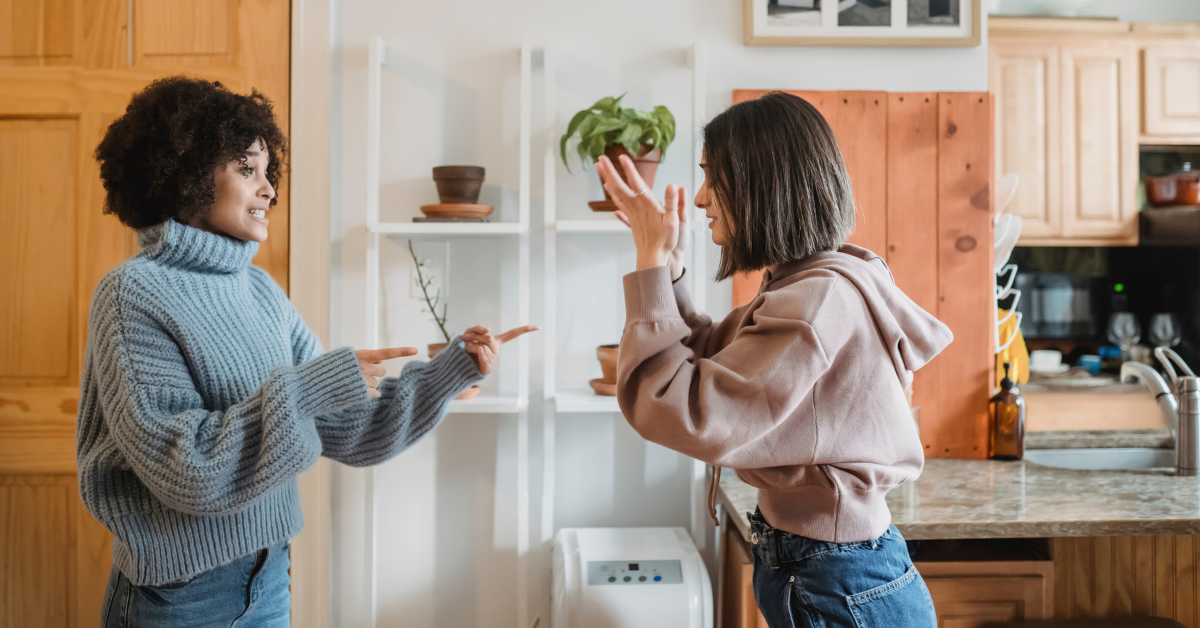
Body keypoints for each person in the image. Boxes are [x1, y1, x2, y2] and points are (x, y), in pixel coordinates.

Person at [78, 76, 537, 627]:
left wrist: (447, 372)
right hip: (180, 598)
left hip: (270, 580)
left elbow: (350, 427)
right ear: (188, 176)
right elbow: (188, 468)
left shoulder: (262, 292)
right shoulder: (132, 294)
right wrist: (310, 384)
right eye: (246, 170)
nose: (269, 189)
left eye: (268, 171)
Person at [596, 91, 952, 628]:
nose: (699, 198)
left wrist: (648, 266)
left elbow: (675, 405)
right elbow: (716, 355)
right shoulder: (812, 285)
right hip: (835, 572)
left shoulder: (816, 301)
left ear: (762, 183)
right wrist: (667, 269)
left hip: (835, 580)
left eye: (713, 177)